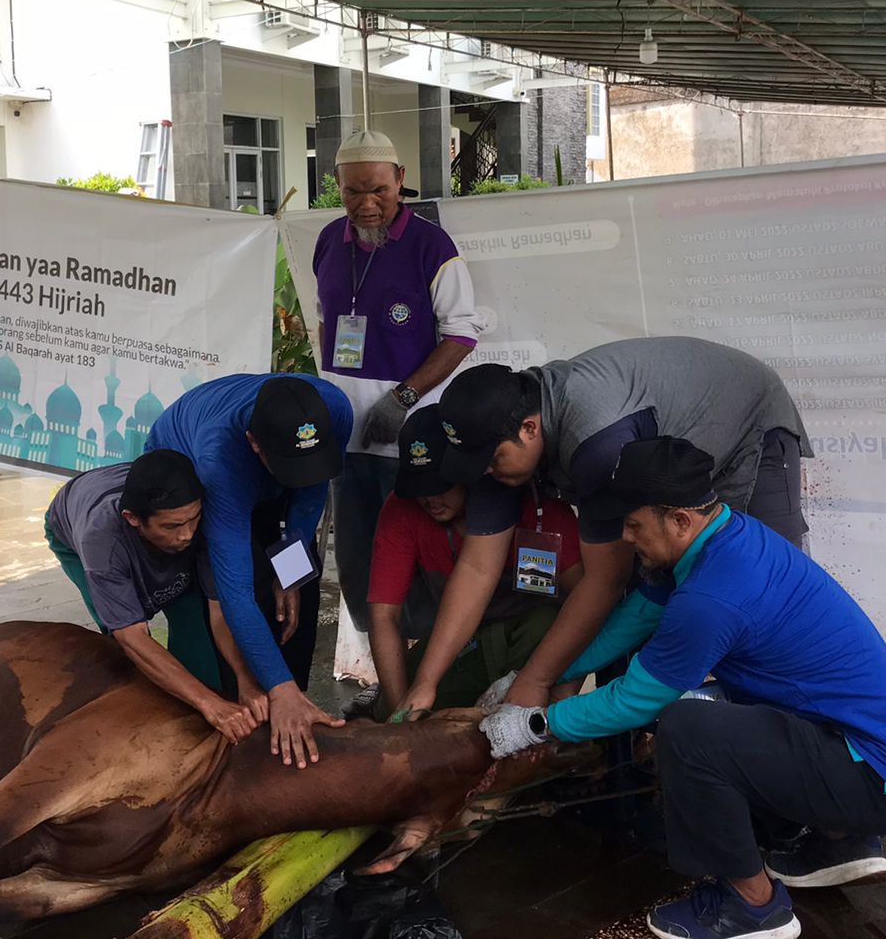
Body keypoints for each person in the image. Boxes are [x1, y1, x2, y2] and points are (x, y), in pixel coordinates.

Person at [480, 437, 886, 939]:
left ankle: (754, 907)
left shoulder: (711, 598)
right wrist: (548, 676)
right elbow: (637, 615)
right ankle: (836, 842)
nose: (625, 537)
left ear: (679, 519)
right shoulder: (727, 537)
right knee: (712, 707)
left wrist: (534, 726)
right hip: (876, 750)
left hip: (879, 777)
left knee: (688, 727)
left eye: (634, 525)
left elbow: (637, 700)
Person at [420, 337, 811, 715]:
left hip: (747, 419)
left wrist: (537, 681)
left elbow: (604, 580)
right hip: (660, 436)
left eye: (490, 459)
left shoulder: (596, 441)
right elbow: (476, 568)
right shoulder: (496, 437)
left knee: (762, 588)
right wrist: (424, 685)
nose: (484, 471)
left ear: (529, 429)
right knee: (646, 585)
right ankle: (620, 743)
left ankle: (788, 723)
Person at [311, 129, 481, 633]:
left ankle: (431, 673)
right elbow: (326, 320)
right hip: (347, 438)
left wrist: (403, 398)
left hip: (408, 433)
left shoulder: (432, 246)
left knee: (424, 558)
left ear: (401, 180)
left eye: (379, 191)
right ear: (337, 186)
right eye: (353, 192)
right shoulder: (327, 241)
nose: (366, 205)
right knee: (360, 559)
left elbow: (461, 335)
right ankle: (382, 674)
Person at [146, 373, 352, 768]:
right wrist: (276, 686)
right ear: (255, 444)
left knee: (300, 589)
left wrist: (288, 572)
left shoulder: (334, 409)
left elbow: (310, 489)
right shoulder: (219, 461)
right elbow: (234, 592)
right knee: (242, 592)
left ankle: (295, 701)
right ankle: (247, 710)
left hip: (273, 466)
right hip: (188, 469)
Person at [367, 406, 582, 717]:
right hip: (463, 645)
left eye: (440, 485)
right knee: (405, 703)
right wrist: (399, 715)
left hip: (534, 648)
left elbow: (590, 606)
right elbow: (384, 616)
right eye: (418, 487)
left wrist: (563, 700)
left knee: (546, 623)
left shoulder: (539, 512)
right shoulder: (401, 511)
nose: (429, 499)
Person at [44, 449, 265, 742]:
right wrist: (209, 705)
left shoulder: (199, 521)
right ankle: (143, 720)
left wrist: (246, 681)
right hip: (73, 524)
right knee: (122, 645)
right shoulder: (101, 543)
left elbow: (218, 611)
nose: (187, 534)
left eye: (193, 519)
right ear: (133, 518)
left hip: (143, 524)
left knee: (193, 620)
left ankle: (202, 715)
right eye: (173, 526)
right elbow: (132, 637)